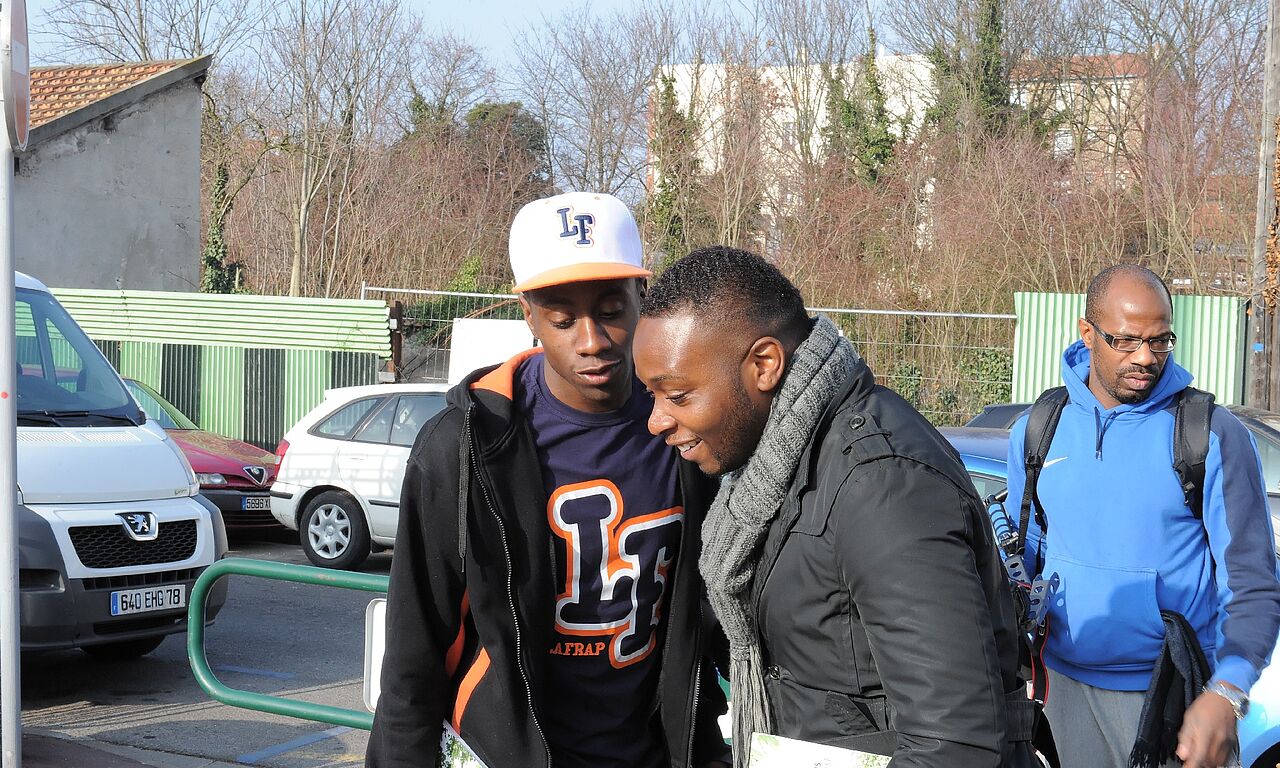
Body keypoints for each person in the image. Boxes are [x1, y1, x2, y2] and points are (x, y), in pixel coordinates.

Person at [633, 246, 1043, 768]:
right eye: (651, 395)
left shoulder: (881, 484)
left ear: (764, 365)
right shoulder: (768, 469)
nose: (657, 420)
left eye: (677, 395)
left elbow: (954, 743)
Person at [367, 192, 730, 768]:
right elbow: (415, 648)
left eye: (611, 310)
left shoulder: (688, 428)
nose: (592, 340)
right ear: (528, 314)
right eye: (562, 320)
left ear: (642, 296)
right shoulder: (464, 446)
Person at [1004, 264, 1280, 768]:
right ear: (1087, 333)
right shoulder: (1038, 429)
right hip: (1062, 693)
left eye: (1160, 341)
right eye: (1126, 341)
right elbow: (1025, 556)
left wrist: (1227, 691)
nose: (1145, 358)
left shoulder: (1210, 435)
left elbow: (1253, 583)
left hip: (1176, 701)